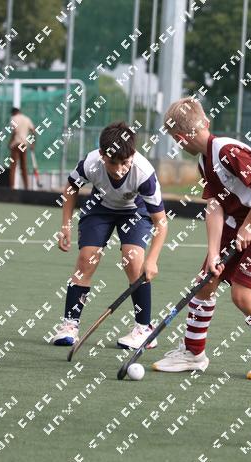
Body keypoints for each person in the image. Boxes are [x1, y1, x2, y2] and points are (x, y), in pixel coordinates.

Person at [151, 97, 251, 381]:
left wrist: (250, 224)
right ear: (205, 122)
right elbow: (215, 206)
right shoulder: (204, 162)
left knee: (241, 295)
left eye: (175, 140)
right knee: (205, 281)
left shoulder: (227, 151)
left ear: (180, 139)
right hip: (237, 221)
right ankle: (193, 353)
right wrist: (214, 253)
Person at [51, 122, 168, 350]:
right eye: (113, 162)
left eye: (125, 163)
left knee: (134, 260)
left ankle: (144, 329)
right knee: (86, 259)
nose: (119, 169)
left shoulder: (144, 173)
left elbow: (161, 223)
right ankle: (69, 325)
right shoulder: (91, 163)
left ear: (132, 155)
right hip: (100, 208)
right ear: (102, 155)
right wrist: (65, 225)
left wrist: (152, 260)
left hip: (135, 211)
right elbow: (71, 187)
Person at [8, 107, 36, 190]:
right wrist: (32, 144)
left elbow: (14, 131)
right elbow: (33, 131)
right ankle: (26, 187)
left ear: (13, 113)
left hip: (16, 144)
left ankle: (12, 188)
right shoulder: (27, 119)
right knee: (23, 166)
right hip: (24, 144)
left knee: (13, 167)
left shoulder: (13, 118)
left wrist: (10, 142)